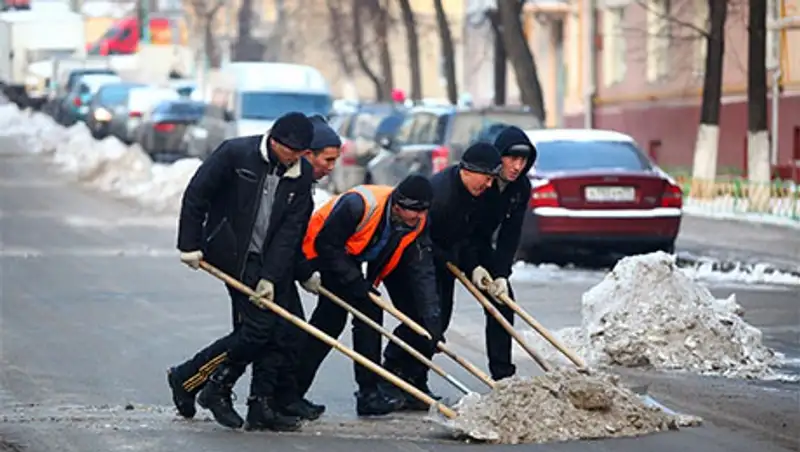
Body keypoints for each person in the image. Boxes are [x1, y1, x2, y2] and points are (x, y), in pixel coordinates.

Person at [165, 114, 341, 427]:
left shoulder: (300, 177)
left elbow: (290, 233)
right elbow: (197, 195)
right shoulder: (235, 154)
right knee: (258, 331)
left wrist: (272, 278)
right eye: (290, 152)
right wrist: (189, 243)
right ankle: (197, 380)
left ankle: (258, 405)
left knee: (281, 331)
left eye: (300, 154)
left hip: (271, 260)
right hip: (233, 254)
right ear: (274, 140)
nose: (294, 159)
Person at [291, 175, 440, 416]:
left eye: (424, 211)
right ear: (399, 207)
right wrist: (354, 280)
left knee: (370, 315)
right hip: (319, 254)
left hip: (351, 257)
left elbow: (422, 271)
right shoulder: (359, 205)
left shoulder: (418, 221)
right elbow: (327, 244)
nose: (420, 218)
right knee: (329, 322)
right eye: (415, 212)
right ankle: (291, 393)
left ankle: (368, 393)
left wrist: (432, 321)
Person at [381, 142, 502, 410]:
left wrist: (473, 266)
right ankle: (391, 375)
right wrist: (446, 258)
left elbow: (469, 236)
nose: (489, 185)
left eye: (493, 179)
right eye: (486, 177)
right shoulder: (441, 195)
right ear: (468, 170)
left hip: (442, 264)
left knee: (439, 321)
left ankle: (416, 378)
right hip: (409, 262)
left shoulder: (477, 195)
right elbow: (418, 240)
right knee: (417, 319)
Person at [472, 125, 537, 381]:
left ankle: (503, 376)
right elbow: (463, 230)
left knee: (503, 304)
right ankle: (413, 375)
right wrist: (472, 265)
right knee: (436, 313)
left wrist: (501, 273)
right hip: (454, 245)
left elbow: (511, 233)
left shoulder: (520, 187)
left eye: (523, 160)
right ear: (499, 156)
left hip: (483, 245)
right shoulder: (480, 179)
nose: (517, 166)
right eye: (512, 158)